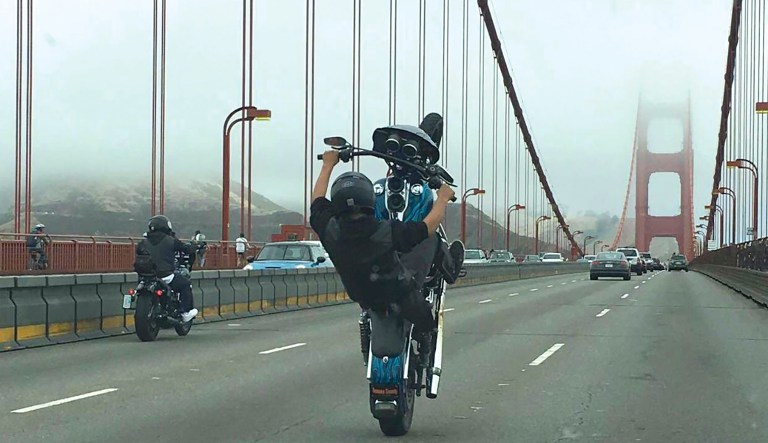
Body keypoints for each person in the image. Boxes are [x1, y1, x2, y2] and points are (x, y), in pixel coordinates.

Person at [309, 150, 463, 366]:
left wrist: (327, 165)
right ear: (369, 199)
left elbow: (317, 202)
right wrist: (443, 199)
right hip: (400, 294)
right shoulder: (387, 231)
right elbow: (427, 227)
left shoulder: (329, 229)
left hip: (362, 296)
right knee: (428, 321)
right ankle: (450, 270)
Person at [134, 215, 198, 322]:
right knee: (185, 284)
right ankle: (185, 312)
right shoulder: (171, 240)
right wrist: (195, 246)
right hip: (165, 275)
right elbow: (186, 249)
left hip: (146, 276)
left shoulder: (143, 242)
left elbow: (139, 254)